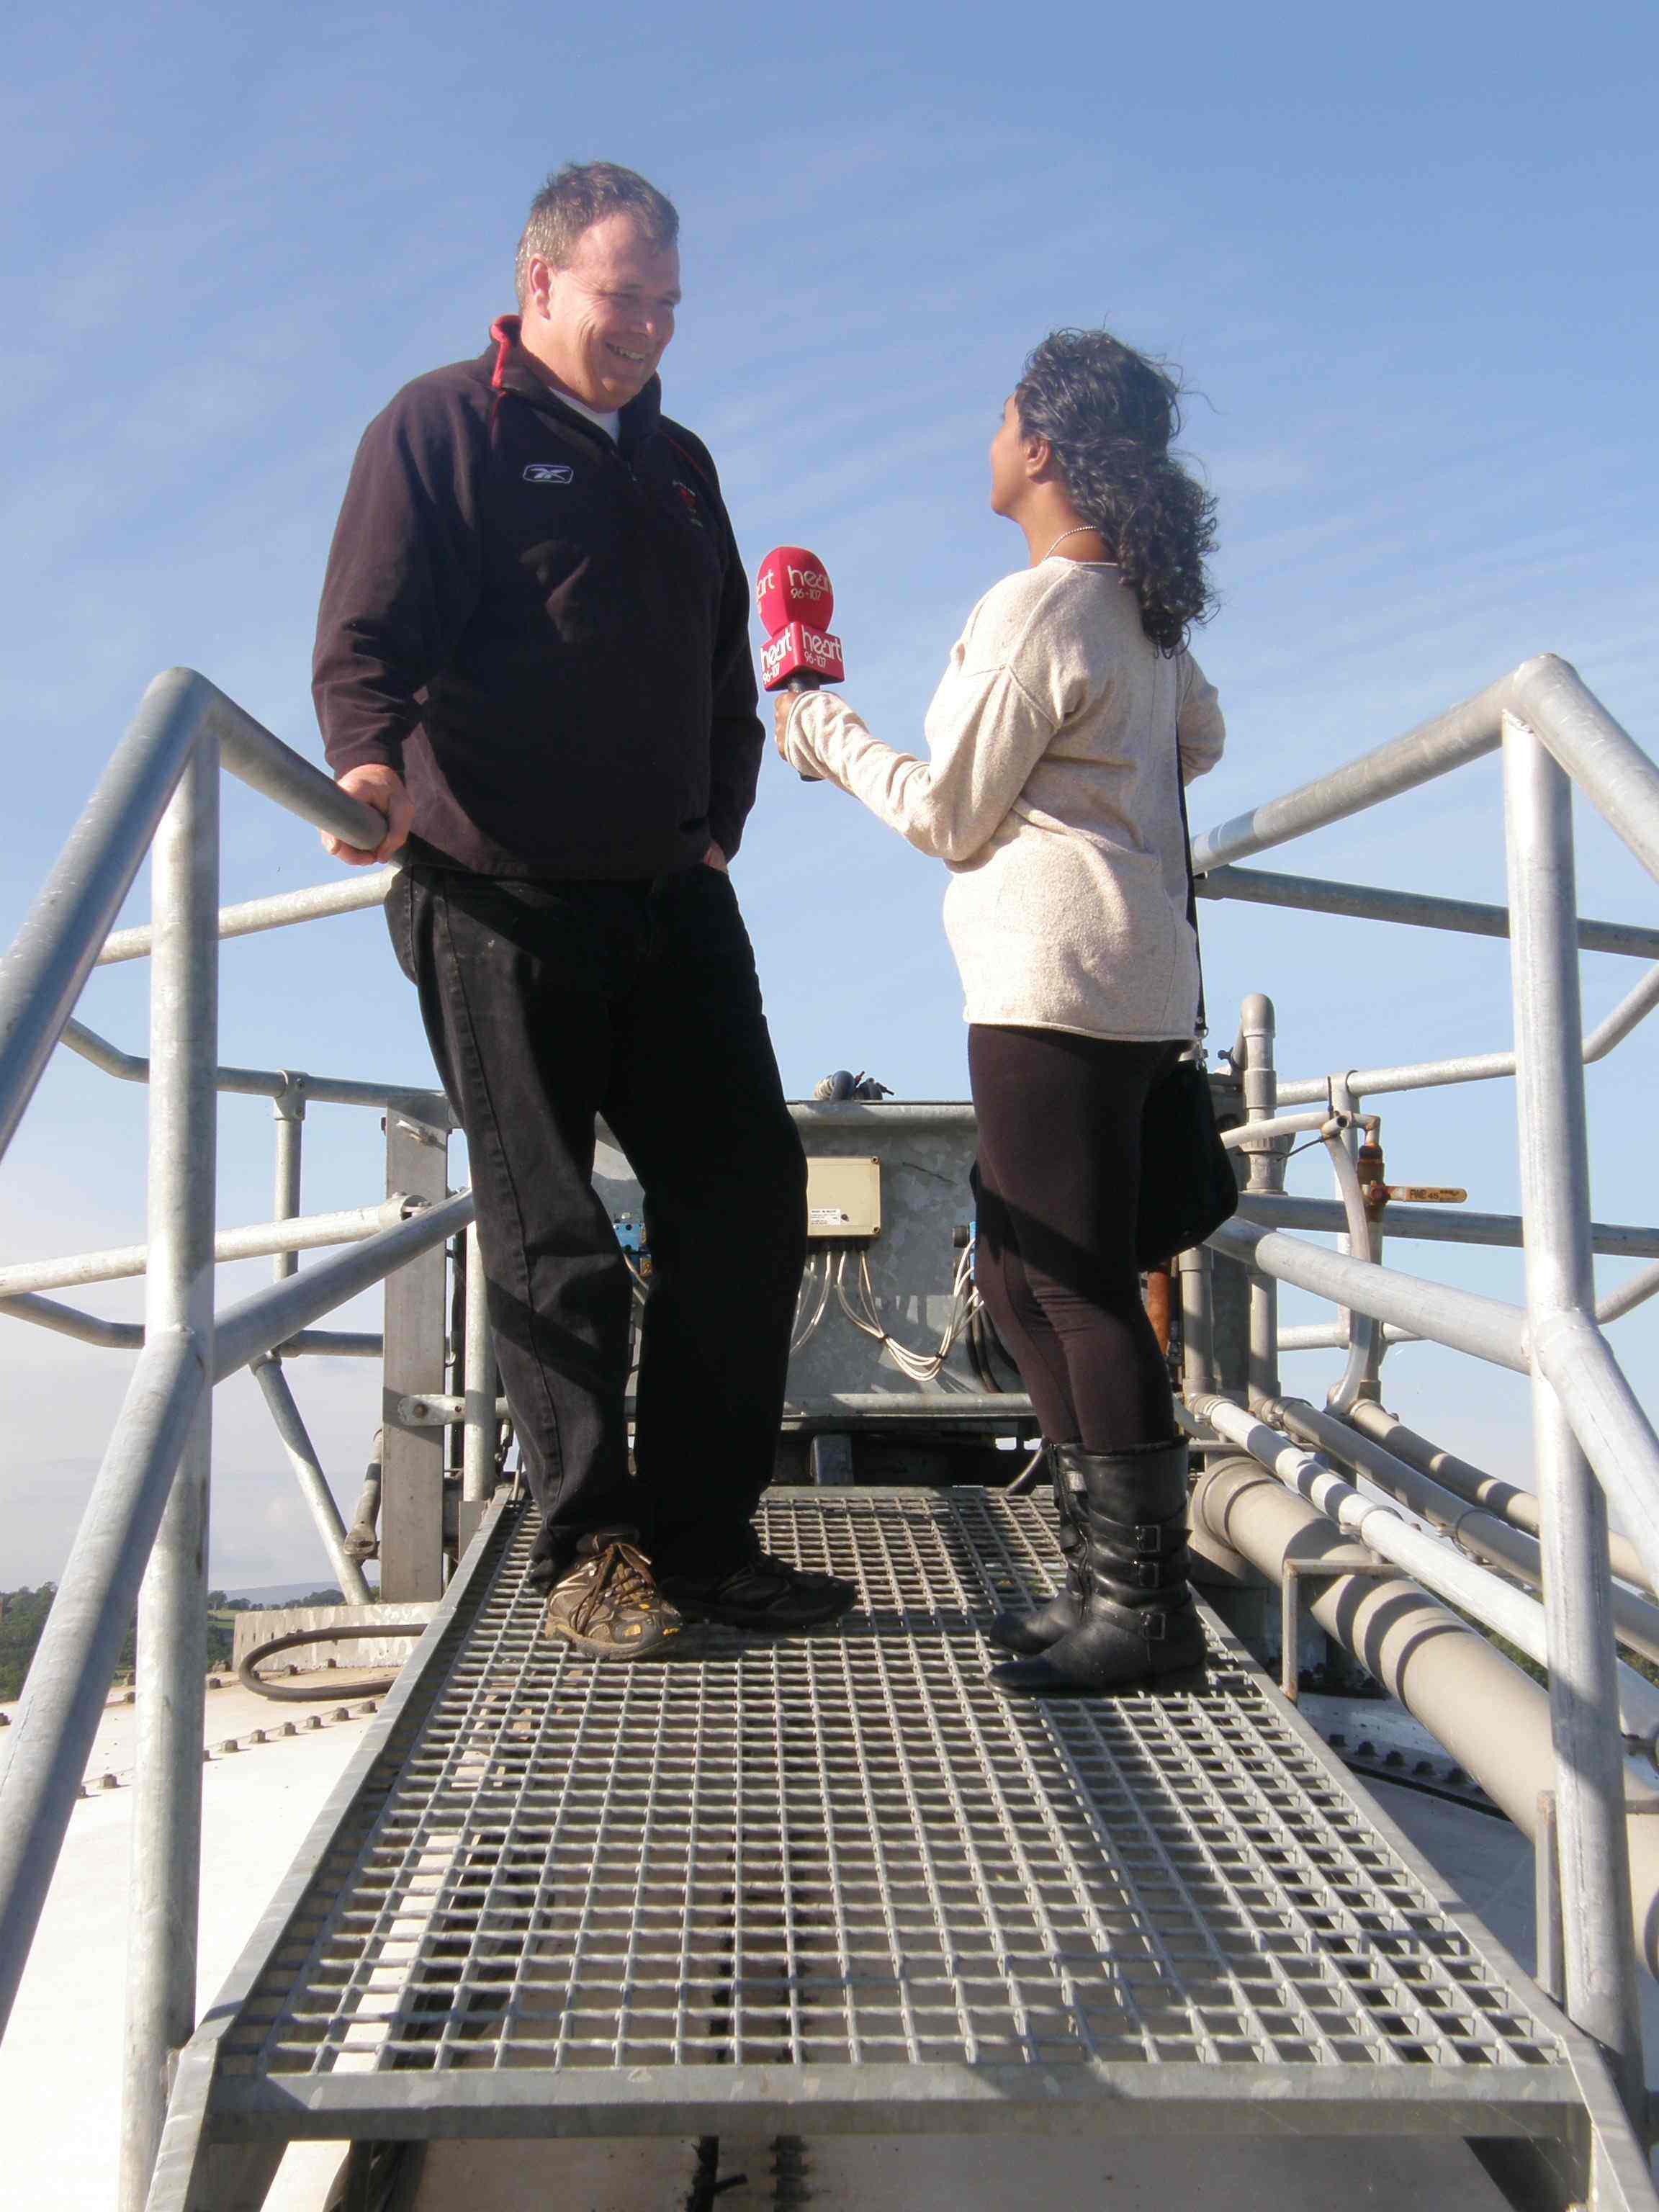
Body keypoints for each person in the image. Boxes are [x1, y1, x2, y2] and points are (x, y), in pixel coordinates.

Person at [313, 161, 853, 1658]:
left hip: (668, 899)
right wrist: (367, 767)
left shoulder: (679, 462)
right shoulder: (443, 428)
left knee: (746, 1203)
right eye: (627, 298)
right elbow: (366, 630)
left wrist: (720, 825)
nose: (652, 329)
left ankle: (705, 1538)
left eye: (671, 305)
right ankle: (589, 1550)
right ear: (540, 281)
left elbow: (724, 674)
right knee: (552, 1234)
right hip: (495, 890)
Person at [775, 328, 1224, 1696]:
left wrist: (817, 728)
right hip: (1132, 980)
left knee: (1070, 1286)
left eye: (1002, 419)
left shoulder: (1038, 607)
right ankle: (1105, 1580)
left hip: (1053, 984)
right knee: (1030, 1274)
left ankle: (1144, 1612)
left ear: (1043, 448)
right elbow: (1197, 737)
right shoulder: (1136, 608)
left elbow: (949, 814)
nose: (989, 439)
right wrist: (1099, 793)